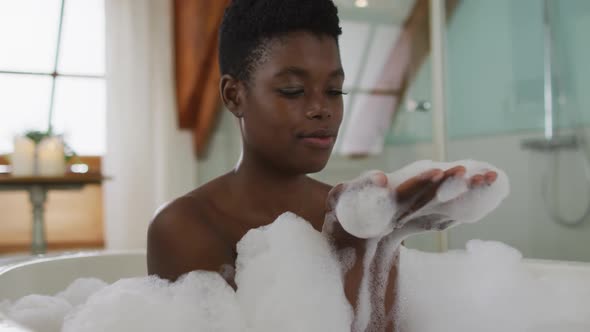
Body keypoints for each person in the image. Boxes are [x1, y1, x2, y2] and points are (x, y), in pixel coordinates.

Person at [147, 0, 497, 330]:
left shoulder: (362, 215)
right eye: (293, 90)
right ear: (234, 95)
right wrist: (355, 252)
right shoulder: (186, 226)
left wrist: (381, 243)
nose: (322, 109)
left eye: (334, 90)